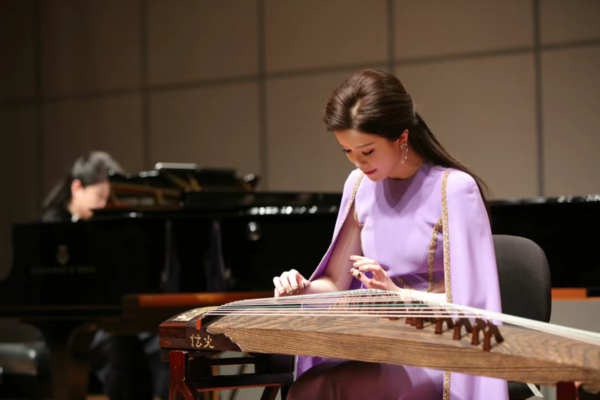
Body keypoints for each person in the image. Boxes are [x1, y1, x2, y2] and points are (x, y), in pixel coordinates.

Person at [272, 70, 509, 400]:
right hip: (379, 341)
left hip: (439, 348)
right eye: (347, 151)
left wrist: (399, 296)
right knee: (309, 387)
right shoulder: (358, 186)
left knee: (330, 388)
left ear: (401, 137)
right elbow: (336, 283)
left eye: (367, 151)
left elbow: (472, 305)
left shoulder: (454, 189)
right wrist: (302, 289)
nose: (358, 162)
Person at [41, 151, 169, 400]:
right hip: (75, 323)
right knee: (120, 346)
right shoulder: (52, 227)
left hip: (115, 316)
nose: (104, 205)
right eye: (100, 197)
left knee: (164, 343)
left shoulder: (109, 226)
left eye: (109, 198)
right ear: (77, 188)